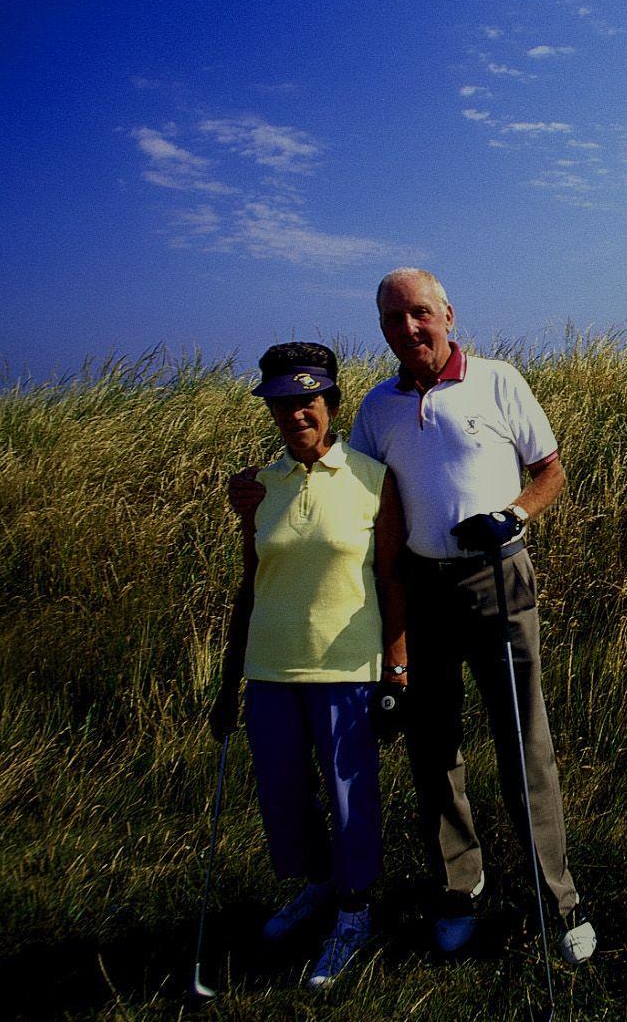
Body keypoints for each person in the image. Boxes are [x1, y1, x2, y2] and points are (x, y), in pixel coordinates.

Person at [230, 269, 597, 963]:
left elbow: (550, 470)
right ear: (382, 329)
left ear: (448, 314)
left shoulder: (498, 381)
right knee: (433, 746)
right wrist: (259, 486)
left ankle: (559, 898)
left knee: (525, 739)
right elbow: (345, 482)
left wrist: (514, 514)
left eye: (420, 313)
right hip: (420, 584)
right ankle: (461, 886)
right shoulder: (378, 406)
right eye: (393, 319)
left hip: (497, 576)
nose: (409, 328)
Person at [211, 341, 410, 989]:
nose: (296, 413)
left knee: (352, 800)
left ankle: (355, 913)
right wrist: (228, 680)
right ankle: (320, 885)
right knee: (284, 797)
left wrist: (396, 671)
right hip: (270, 669)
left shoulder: (370, 478)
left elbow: (391, 581)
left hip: (346, 667)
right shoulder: (258, 488)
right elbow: (251, 583)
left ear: (330, 402)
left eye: (308, 400)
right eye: (282, 403)